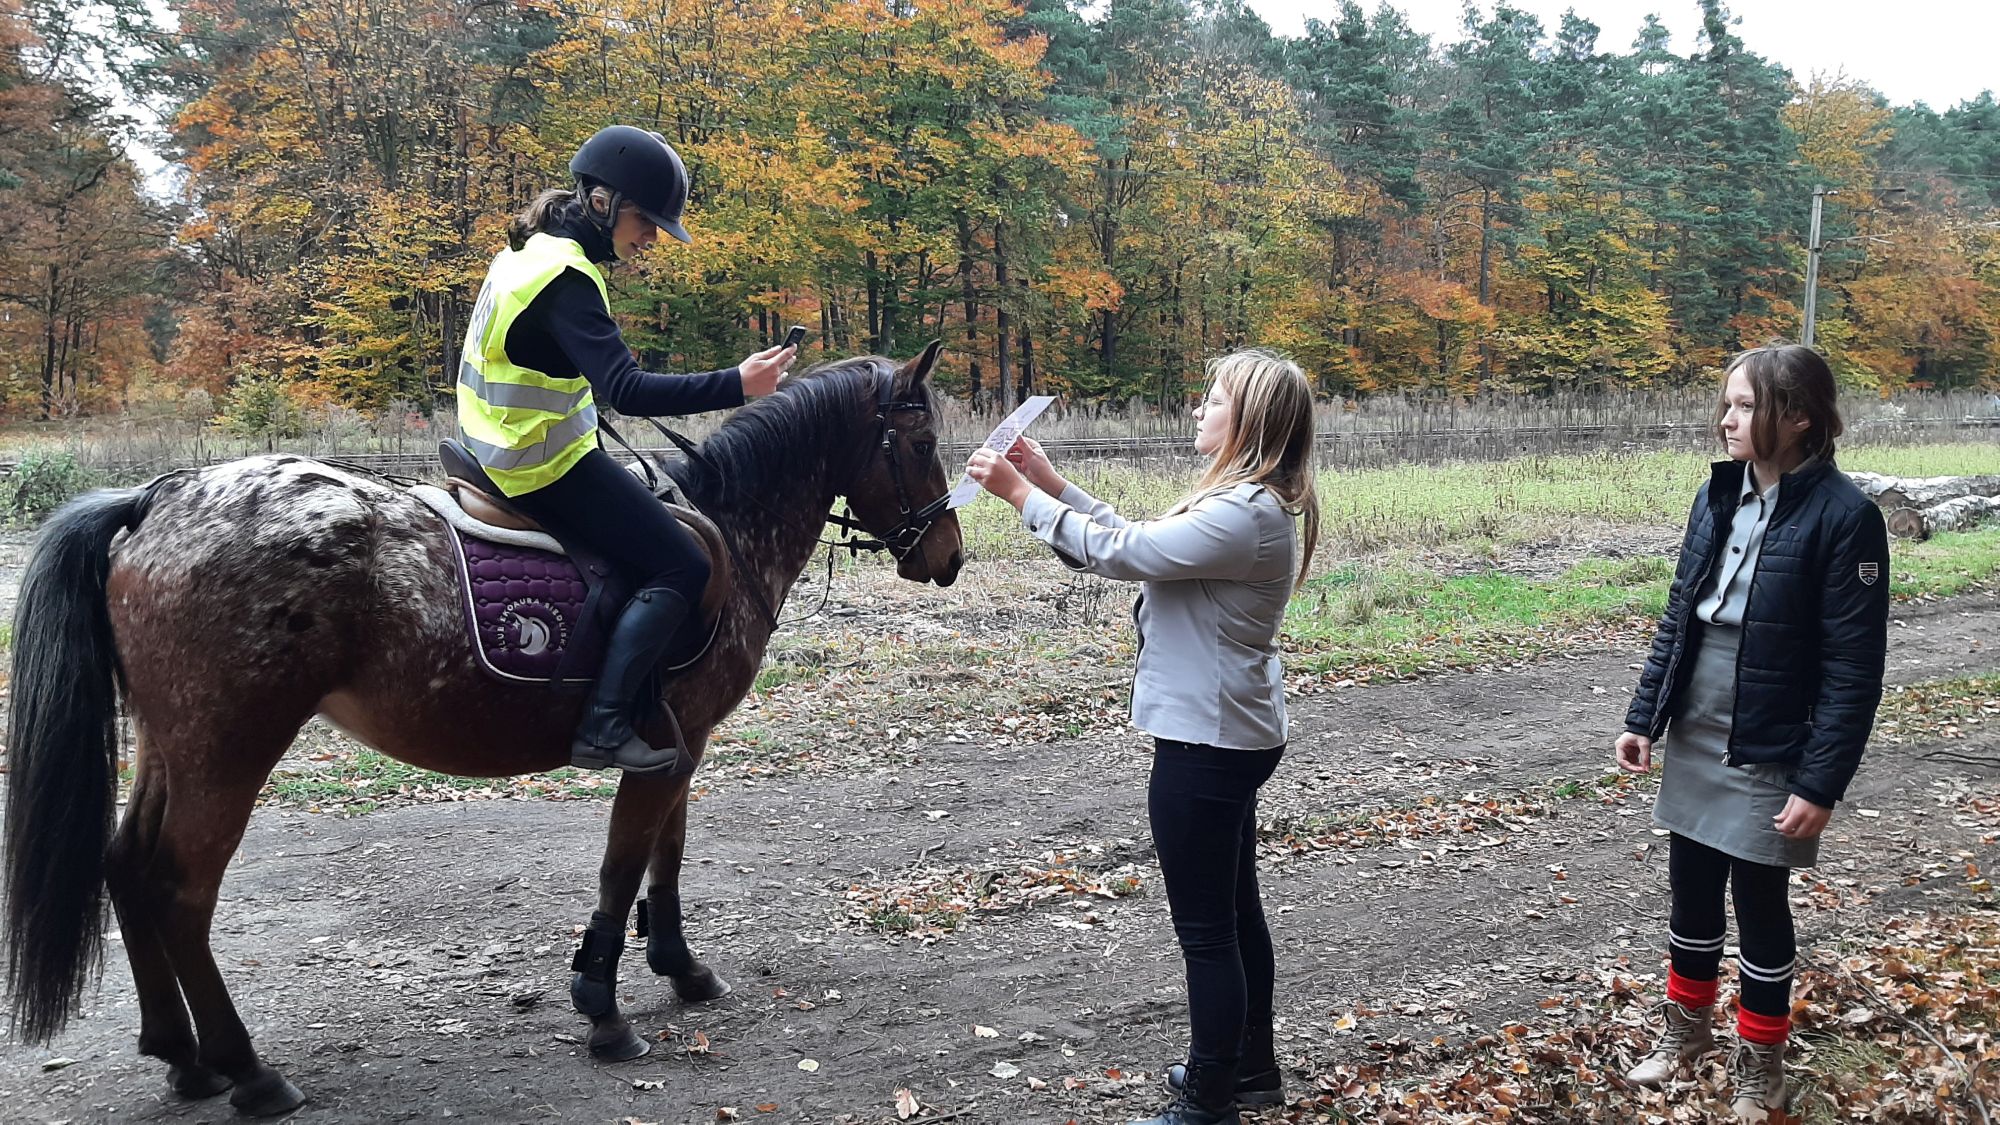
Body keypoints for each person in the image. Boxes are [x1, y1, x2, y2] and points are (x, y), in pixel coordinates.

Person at [966, 350, 1321, 1125]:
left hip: (1208, 742)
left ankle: (1208, 1099)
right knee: (1234, 913)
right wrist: (1053, 485)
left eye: (1215, 399)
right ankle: (1248, 1070)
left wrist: (1020, 494)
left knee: (1207, 932)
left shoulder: (1242, 512)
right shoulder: (1244, 505)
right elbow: (1139, 537)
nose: (1200, 410)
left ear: (1250, 422)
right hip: (1229, 731)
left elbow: (1124, 555)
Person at [456, 124, 796, 774]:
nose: (652, 237)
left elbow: (554, 373)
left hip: (497, 438)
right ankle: (605, 725)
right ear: (604, 201)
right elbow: (627, 390)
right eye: (647, 220)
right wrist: (738, 384)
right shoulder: (567, 278)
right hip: (536, 463)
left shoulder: (531, 251)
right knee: (682, 566)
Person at [1614, 343, 1889, 1121]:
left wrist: (1820, 781)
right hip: (1698, 723)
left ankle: (1759, 1063)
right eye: (1727, 402)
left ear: (1798, 417)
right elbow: (1680, 611)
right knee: (1690, 889)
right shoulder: (1718, 494)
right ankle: (1686, 1034)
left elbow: (1852, 669)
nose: (1727, 418)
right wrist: (1644, 716)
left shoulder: (1849, 518)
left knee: (1760, 900)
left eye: (1744, 405)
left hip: (1774, 740)